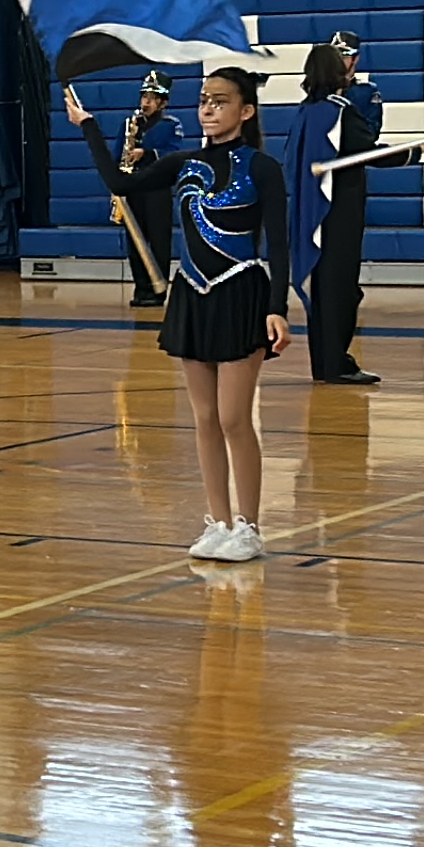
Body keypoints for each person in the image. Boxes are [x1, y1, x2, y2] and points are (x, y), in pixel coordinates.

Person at [72, 66, 287, 561]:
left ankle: (249, 527)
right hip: (192, 294)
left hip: (240, 293)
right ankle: (218, 521)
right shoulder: (185, 163)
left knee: (235, 419)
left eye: (221, 100)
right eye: (205, 100)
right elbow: (118, 184)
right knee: (205, 418)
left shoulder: (261, 167)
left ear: (246, 110)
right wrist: (87, 126)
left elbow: (279, 240)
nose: (209, 108)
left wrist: (277, 307)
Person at [295, 37, 383, 385]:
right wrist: (417, 152)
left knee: (325, 286)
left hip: (313, 207)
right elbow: (368, 147)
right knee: (342, 287)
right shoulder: (338, 111)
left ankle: (326, 360)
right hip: (339, 207)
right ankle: (335, 363)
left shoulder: (306, 110)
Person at [112, 71, 188, 308]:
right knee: (135, 239)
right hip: (133, 188)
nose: (146, 102)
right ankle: (141, 287)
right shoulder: (129, 125)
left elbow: (174, 153)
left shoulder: (171, 125)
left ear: (163, 103)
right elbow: (117, 155)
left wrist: (146, 154)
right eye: (144, 96)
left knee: (158, 239)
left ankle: (158, 288)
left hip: (157, 190)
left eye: (152, 98)